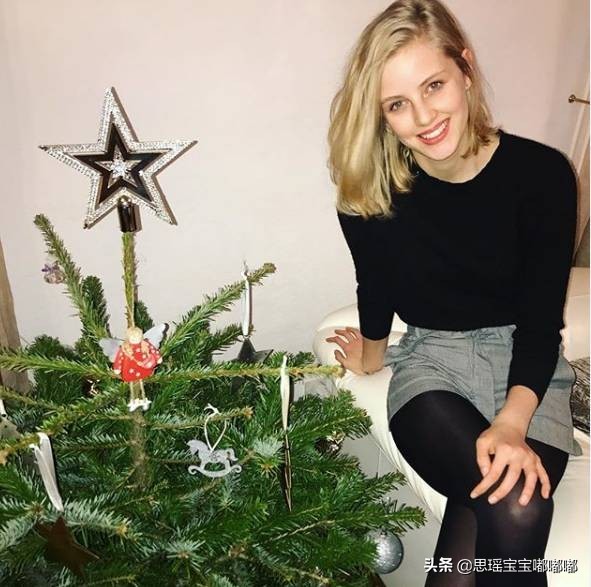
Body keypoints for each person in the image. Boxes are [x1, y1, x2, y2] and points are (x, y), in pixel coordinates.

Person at [325, 1, 581, 586]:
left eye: (434, 85)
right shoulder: (371, 193)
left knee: (492, 506)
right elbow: (375, 286)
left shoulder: (542, 176)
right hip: (432, 365)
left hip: (528, 372)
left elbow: (540, 322)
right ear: (381, 115)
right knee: (514, 503)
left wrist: (512, 423)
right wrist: (372, 354)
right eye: (397, 104)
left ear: (465, 69)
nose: (423, 117)